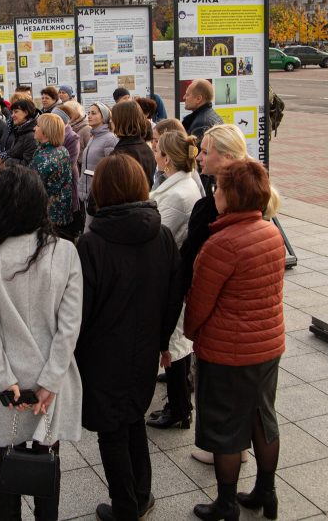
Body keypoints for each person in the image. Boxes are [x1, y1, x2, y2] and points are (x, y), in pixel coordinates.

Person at [0, 166, 83, 521]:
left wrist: (4, 378)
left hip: (5, 375)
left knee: (7, 459)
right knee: (47, 460)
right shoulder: (66, 252)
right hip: (50, 376)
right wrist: (51, 381)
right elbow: (69, 327)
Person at [76, 154, 182, 521]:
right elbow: (173, 295)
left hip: (103, 354)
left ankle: (125, 506)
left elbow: (81, 310)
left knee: (112, 430)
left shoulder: (91, 244)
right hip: (146, 347)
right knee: (134, 416)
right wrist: (162, 341)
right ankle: (141, 495)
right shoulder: (163, 235)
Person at [185, 159, 285, 521]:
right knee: (262, 417)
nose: (215, 192)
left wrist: (190, 333)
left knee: (226, 427)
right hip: (268, 344)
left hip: (228, 351)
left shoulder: (222, 243)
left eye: (220, 188)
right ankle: (266, 493)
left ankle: (226, 503)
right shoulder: (270, 231)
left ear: (233, 196)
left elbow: (199, 303)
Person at [146, 129, 204, 431]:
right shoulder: (179, 185)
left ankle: (180, 407)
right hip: (173, 272)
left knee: (176, 343)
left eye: (157, 149)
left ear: (166, 158)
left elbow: (158, 234)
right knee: (176, 341)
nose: (154, 153)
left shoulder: (180, 194)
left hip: (173, 276)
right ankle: (179, 403)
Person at [30, 113, 74, 236]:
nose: (34, 128)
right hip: (63, 214)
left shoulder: (44, 157)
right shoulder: (61, 149)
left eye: (37, 126)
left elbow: (33, 189)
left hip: (49, 219)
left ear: (46, 131)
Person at [77, 102, 118, 221]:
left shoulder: (109, 138)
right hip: (87, 194)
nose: (89, 116)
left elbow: (111, 169)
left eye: (93, 113)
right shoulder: (93, 137)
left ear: (104, 117)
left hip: (98, 195)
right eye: (88, 113)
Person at [110, 100, 155, 187]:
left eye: (113, 118)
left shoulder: (123, 152)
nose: (111, 121)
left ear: (122, 120)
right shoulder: (145, 148)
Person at [0, 97, 38, 167]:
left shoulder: (31, 135)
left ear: (26, 112)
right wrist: (2, 155)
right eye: (12, 112)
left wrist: (6, 162)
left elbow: (28, 164)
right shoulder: (19, 130)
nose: (12, 116)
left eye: (16, 112)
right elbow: (14, 151)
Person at [181, 79, 221, 143]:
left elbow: (194, 152)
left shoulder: (201, 124)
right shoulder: (215, 117)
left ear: (198, 99)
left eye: (187, 95)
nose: (184, 97)